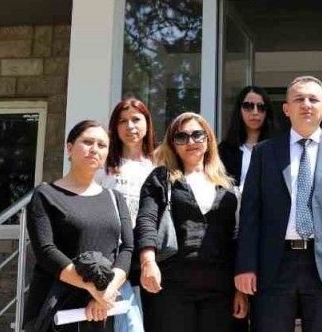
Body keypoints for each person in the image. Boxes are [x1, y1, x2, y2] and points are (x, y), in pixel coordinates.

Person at [236, 76, 322, 332]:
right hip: (274, 264)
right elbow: (251, 213)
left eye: (313, 99)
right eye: (299, 99)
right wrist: (246, 266)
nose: (306, 104)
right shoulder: (264, 152)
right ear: (286, 109)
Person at [135, 112, 247, 332]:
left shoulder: (226, 186)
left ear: (208, 139)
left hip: (220, 289)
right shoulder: (162, 178)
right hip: (172, 286)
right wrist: (148, 262)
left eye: (197, 135)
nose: (191, 142)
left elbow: (235, 237)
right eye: (181, 137)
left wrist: (240, 290)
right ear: (172, 144)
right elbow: (147, 220)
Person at [26, 120, 135, 332]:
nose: (94, 149)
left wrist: (107, 291)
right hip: (58, 306)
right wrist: (94, 289)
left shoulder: (115, 198)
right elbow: (46, 251)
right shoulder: (46, 195)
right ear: (69, 148)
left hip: (104, 308)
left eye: (102, 145)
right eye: (87, 142)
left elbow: (127, 248)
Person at [101, 99, 158, 332]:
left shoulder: (157, 165)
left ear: (147, 123)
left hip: (148, 253)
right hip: (113, 253)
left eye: (136, 119)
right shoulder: (103, 165)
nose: (130, 126)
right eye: (123, 121)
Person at [219, 85, 275, 188]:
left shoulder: (277, 147)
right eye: (248, 106)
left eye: (261, 107)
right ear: (239, 110)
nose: (255, 112)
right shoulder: (225, 150)